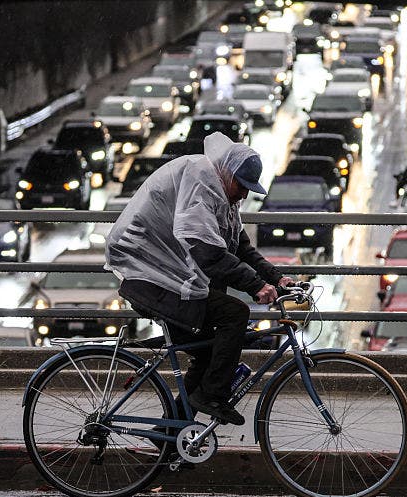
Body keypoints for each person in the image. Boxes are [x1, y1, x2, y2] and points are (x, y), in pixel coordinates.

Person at [105, 132, 295, 425]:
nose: (244, 195)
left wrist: (277, 278)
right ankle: (212, 397)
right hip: (151, 278)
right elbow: (207, 252)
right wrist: (256, 286)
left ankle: (173, 439)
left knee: (209, 354)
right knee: (236, 313)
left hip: (170, 279)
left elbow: (239, 246)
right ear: (228, 173)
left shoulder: (220, 193)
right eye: (242, 186)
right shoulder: (200, 181)